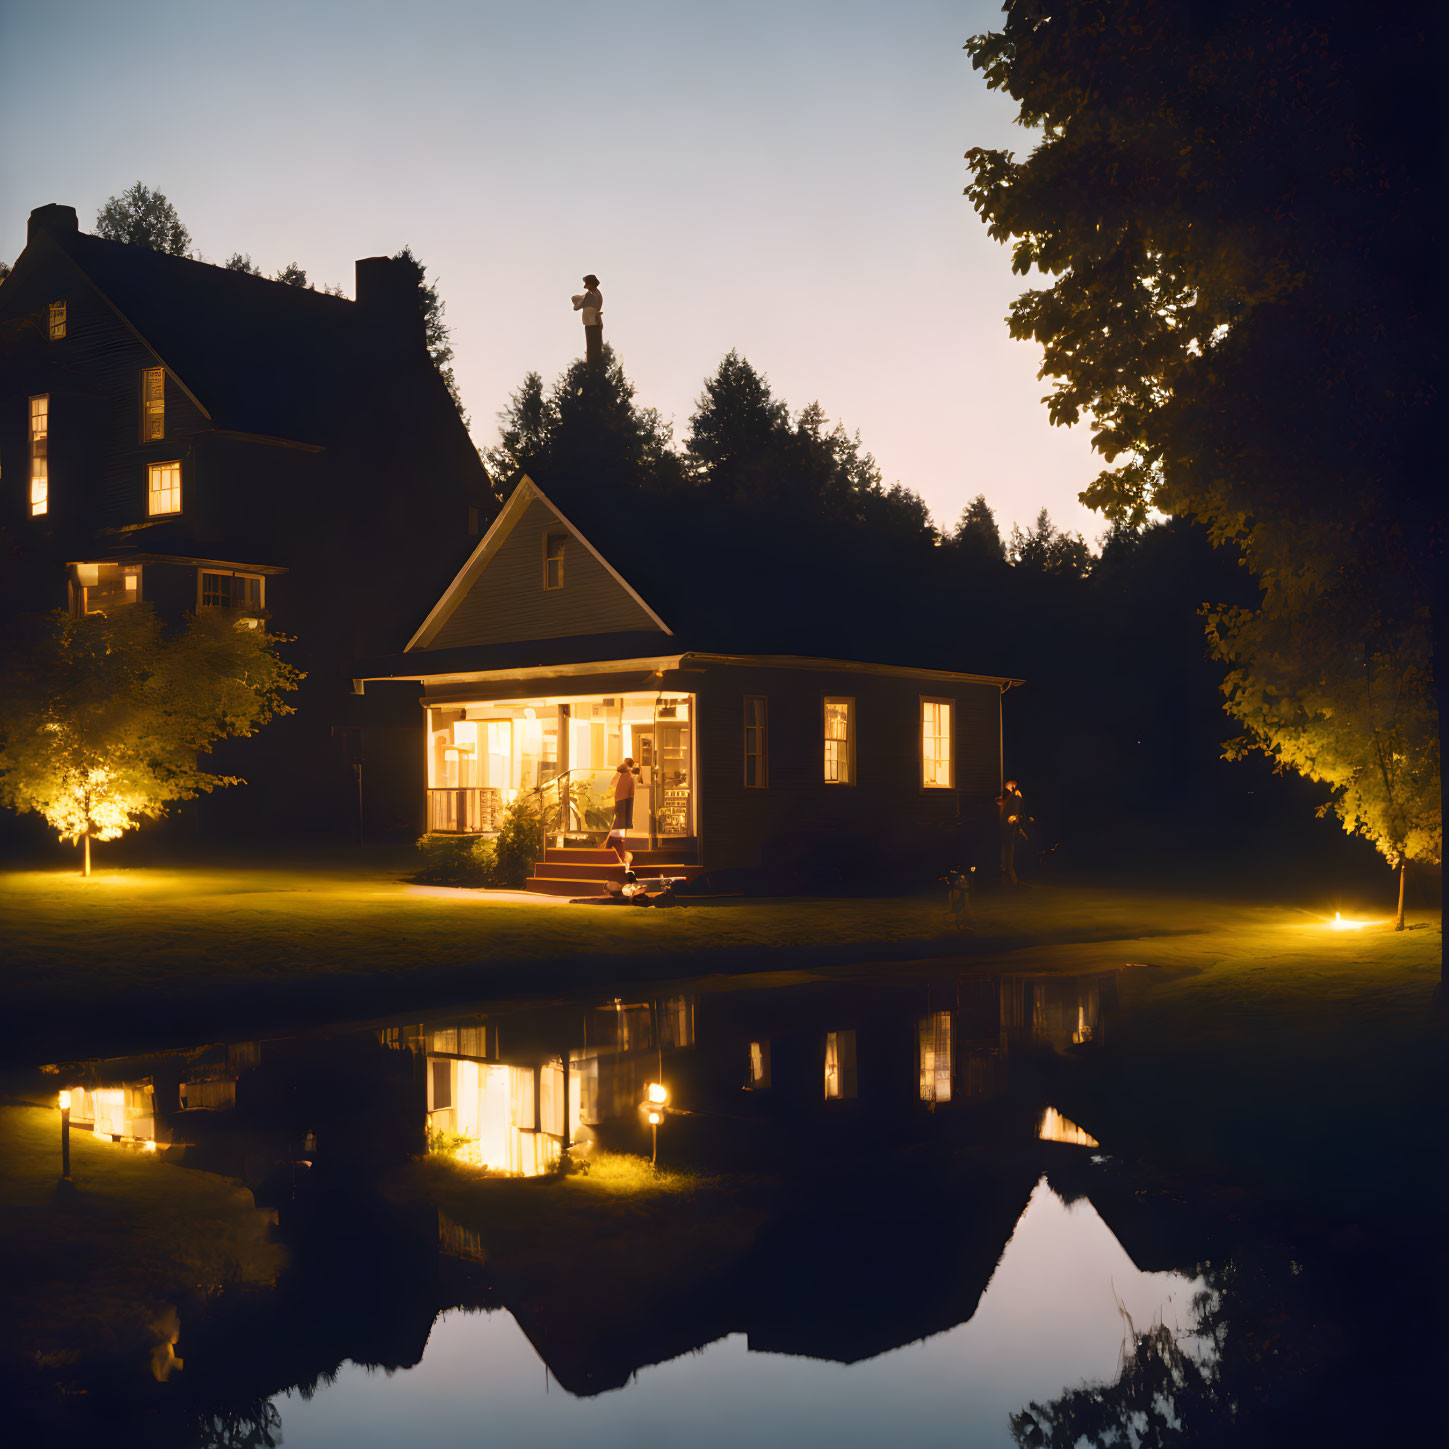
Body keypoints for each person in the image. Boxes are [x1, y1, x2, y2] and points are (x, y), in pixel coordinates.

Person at [606, 757, 637, 867]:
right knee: (620, 833)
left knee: (618, 833)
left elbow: (614, 785)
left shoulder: (624, 773)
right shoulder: (629, 776)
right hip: (623, 805)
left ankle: (619, 859)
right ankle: (620, 859)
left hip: (620, 804)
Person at [998, 778, 1029, 886]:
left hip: (1008, 828)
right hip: (1007, 829)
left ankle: (1010, 878)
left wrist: (1014, 818)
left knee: (1007, 851)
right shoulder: (1013, 796)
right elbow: (1015, 810)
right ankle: (1010, 879)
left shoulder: (1014, 795)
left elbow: (1015, 809)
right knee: (1007, 851)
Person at [571, 273, 603, 364]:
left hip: (592, 323)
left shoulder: (591, 295)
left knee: (593, 347)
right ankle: (592, 363)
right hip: (591, 323)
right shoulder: (593, 293)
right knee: (592, 347)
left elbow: (577, 306)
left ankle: (593, 365)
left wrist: (577, 302)